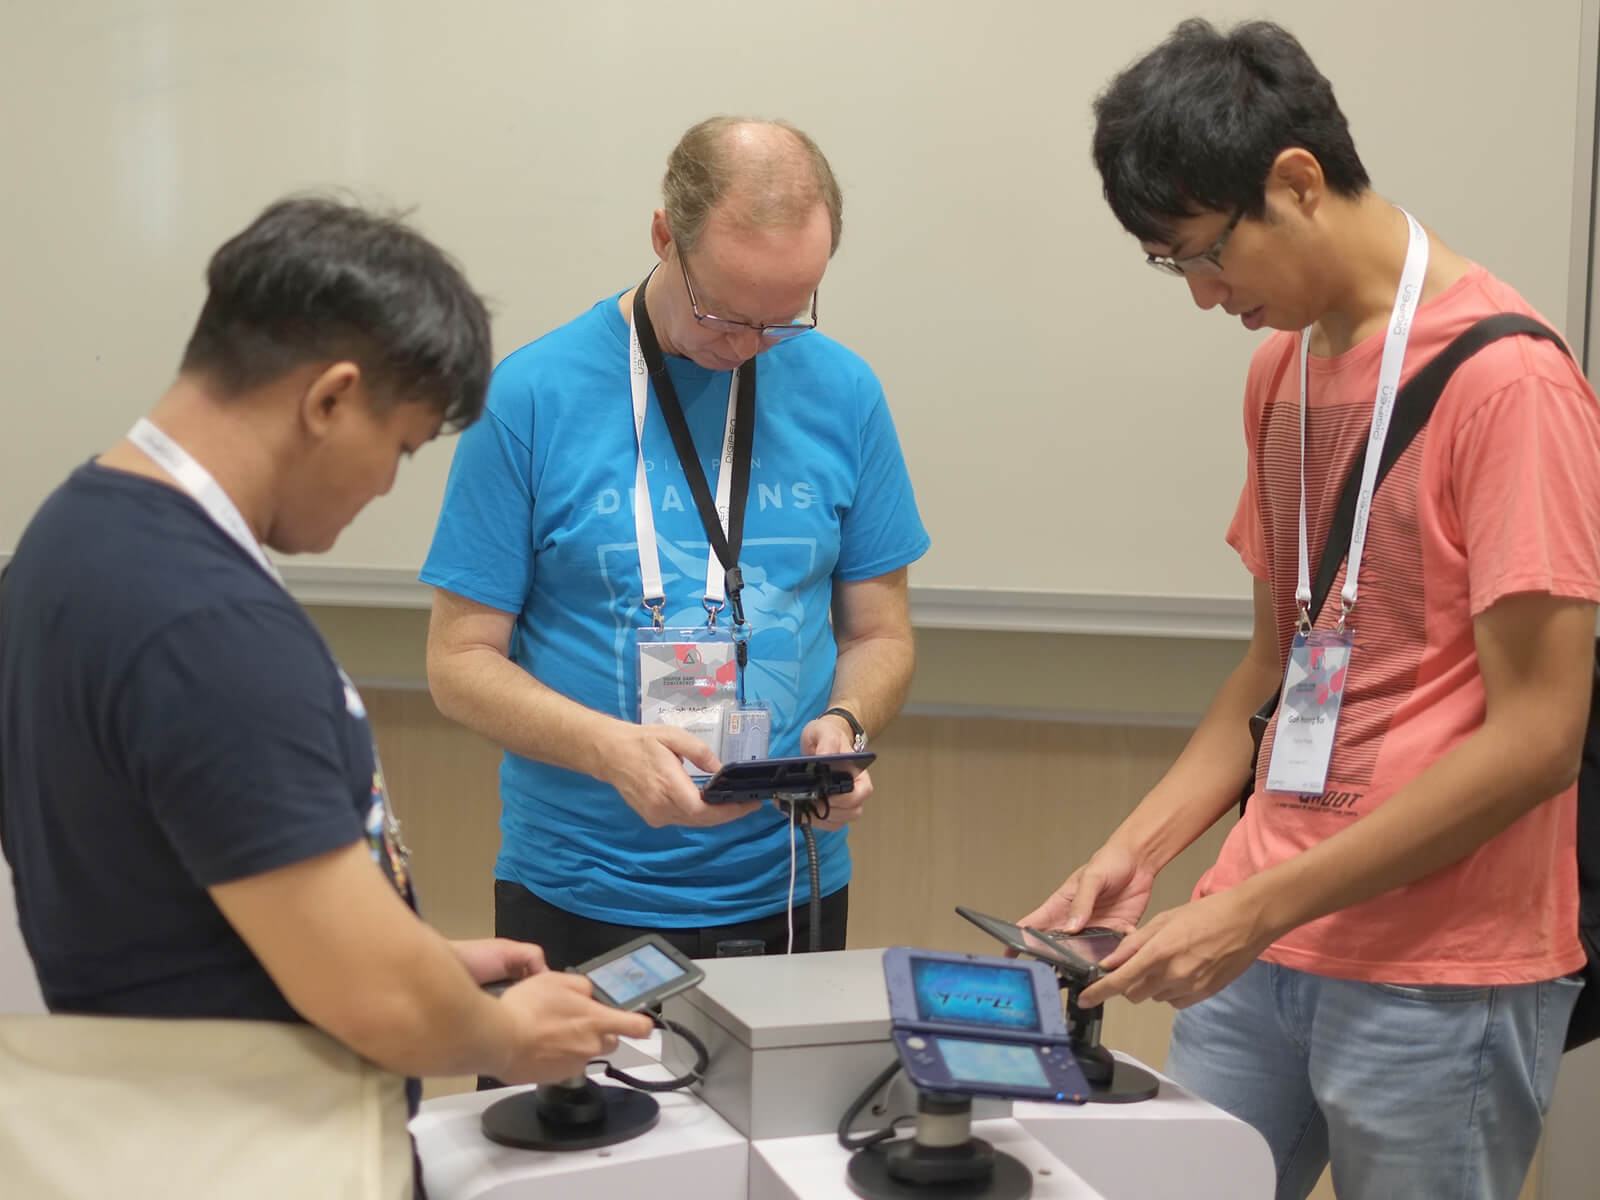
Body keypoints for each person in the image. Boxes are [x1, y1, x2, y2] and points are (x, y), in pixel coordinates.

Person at [1019, 20, 1600, 1200]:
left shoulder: (1511, 384)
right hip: (1260, 933)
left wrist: (1249, 911)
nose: (1200, 297)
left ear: (1294, 181)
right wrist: (1132, 855)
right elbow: (1271, 672)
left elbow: (1541, 739)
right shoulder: (1279, 370)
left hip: (1438, 967)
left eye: (1204, 255)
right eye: (1169, 267)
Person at [0, 197, 653, 1142]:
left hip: (145, 1118)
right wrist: (503, 1035)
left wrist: (416, 961)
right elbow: (379, 1002)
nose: (388, 485)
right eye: (397, 447)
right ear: (329, 397)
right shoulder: (208, 626)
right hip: (247, 1142)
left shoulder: (67, 541)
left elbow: (201, 886)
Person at [422, 117, 929, 969]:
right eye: (724, 313)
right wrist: (609, 750)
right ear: (665, 236)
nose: (746, 348)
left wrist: (845, 723)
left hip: (792, 883)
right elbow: (459, 664)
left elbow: (880, 634)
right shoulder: (532, 397)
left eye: (782, 317)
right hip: (581, 887)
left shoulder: (844, 392)